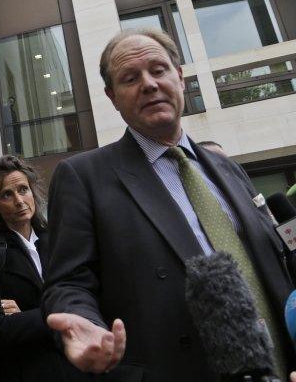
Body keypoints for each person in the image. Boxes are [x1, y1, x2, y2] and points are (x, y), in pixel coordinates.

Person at [43, 28, 294, 381]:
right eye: (130, 78)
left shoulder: (226, 167)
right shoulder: (82, 177)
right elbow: (69, 283)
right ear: (112, 97)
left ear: (180, 76)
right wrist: (82, 323)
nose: (148, 84)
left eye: (158, 70)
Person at [0, 155, 88, 382]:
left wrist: (30, 316)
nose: (19, 200)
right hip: (24, 372)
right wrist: (63, 312)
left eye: (23, 189)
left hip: (77, 368)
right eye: (7, 195)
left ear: (33, 192)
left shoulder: (61, 241)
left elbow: (88, 299)